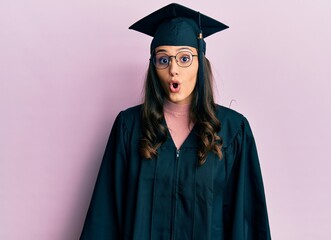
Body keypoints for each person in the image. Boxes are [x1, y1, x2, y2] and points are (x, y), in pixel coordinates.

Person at [80, 3, 271, 240]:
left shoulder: (233, 131)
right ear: (153, 67)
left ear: (200, 62)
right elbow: (105, 216)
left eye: (184, 58)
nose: (173, 70)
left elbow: (246, 221)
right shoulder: (129, 127)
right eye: (163, 60)